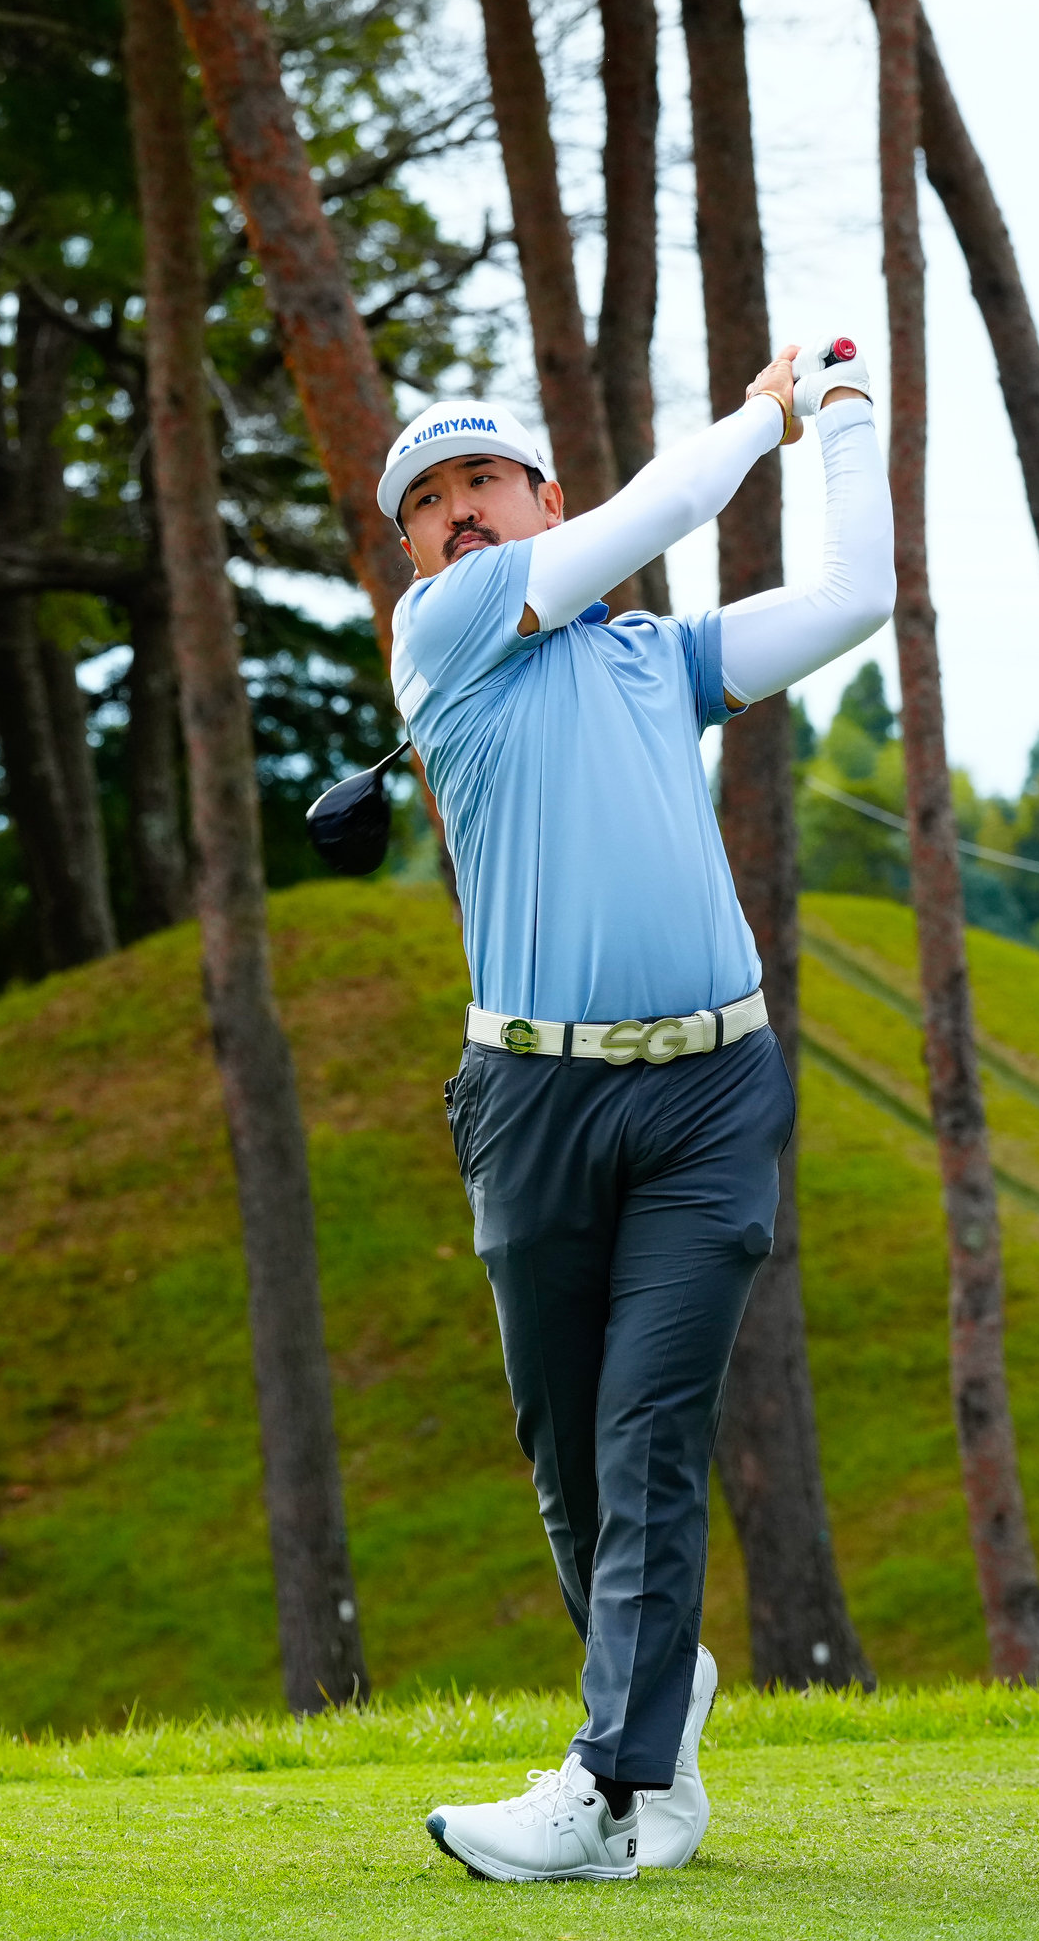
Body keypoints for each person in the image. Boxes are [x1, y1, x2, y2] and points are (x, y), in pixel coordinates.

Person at [403, 338, 893, 1884]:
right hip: (534, 1099)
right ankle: (660, 1711)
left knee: (649, 1435)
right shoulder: (446, 635)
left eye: (488, 482)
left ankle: (607, 1787)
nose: (463, 513)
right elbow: (646, 513)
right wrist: (754, 415)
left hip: (709, 1095)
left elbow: (853, 599)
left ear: (537, 491)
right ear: (412, 553)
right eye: (430, 502)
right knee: (572, 1460)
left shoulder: (652, 660)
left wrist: (844, 423)